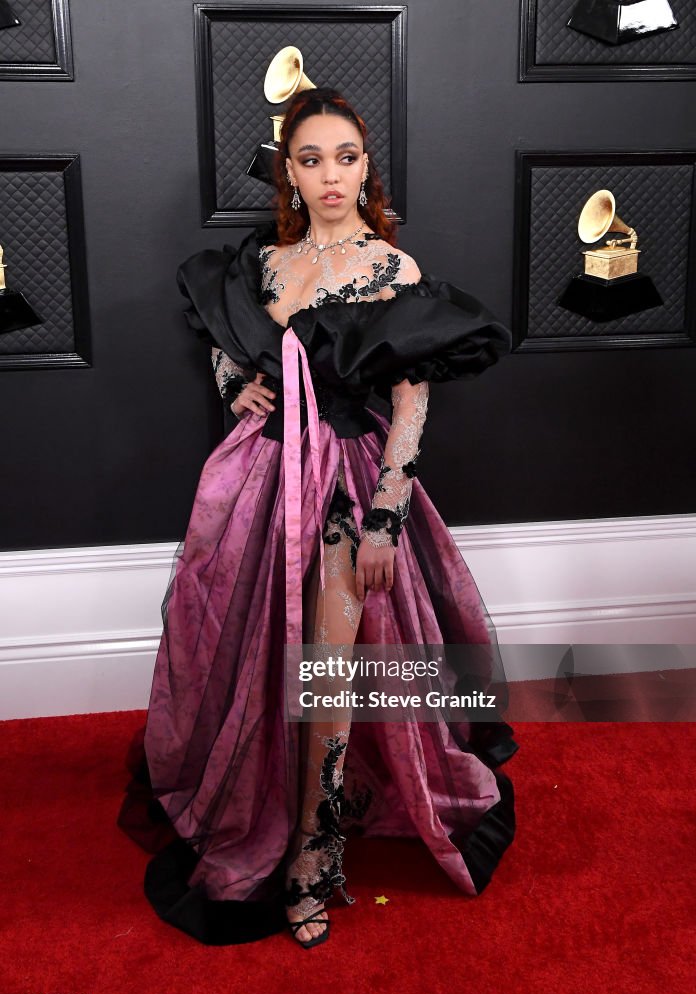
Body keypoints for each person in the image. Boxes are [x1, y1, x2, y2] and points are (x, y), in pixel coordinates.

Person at [117, 86, 519, 949]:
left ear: (365, 167)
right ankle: (262, 811)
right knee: (251, 654)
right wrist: (237, 386)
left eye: (345, 157)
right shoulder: (264, 264)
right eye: (311, 159)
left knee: (328, 671)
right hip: (261, 480)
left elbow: (411, 407)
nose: (330, 175)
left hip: (346, 482)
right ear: (289, 174)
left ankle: (313, 850)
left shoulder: (393, 270)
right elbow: (228, 339)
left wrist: (385, 517)